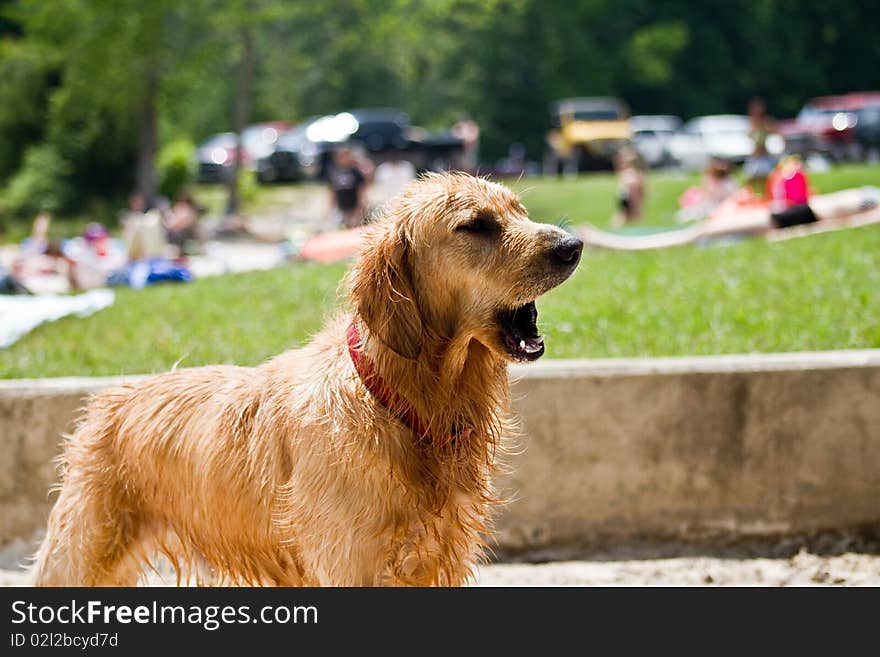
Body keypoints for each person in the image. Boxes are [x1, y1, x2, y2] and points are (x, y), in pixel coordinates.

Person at [677, 158, 740, 222]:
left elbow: (733, 195)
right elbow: (708, 194)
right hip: (714, 204)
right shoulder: (711, 180)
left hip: (724, 204)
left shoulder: (729, 181)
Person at [327, 147, 369, 229]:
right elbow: (332, 191)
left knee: (353, 228)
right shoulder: (335, 172)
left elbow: (361, 191)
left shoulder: (356, 172)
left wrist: (360, 209)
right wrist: (331, 208)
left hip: (353, 207)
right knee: (341, 228)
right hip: (341, 207)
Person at [743, 97, 777, 193]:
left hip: (764, 155)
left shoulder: (766, 122)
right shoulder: (751, 123)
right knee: (751, 179)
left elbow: (776, 133)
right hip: (755, 155)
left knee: (767, 179)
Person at [611, 146, 645, 227]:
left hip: (628, 202)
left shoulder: (631, 175)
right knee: (621, 220)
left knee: (623, 220)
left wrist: (636, 208)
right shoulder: (630, 174)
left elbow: (636, 194)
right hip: (626, 202)